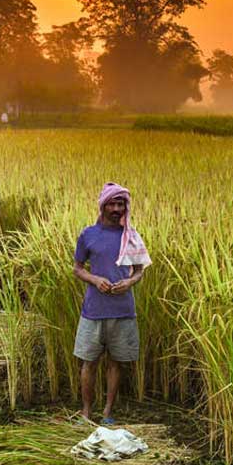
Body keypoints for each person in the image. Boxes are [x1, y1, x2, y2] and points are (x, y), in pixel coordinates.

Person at [73, 182, 151, 425]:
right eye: (112, 204)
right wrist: (95, 279)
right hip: (93, 310)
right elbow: (77, 269)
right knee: (89, 361)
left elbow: (139, 271)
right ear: (103, 205)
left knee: (116, 362)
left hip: (123, 310)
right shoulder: (88, 235)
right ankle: (86, 412)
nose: (117, 208)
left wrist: (129, 283)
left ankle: (107, 412)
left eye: (121, 204)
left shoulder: (132, 236)